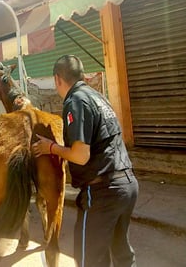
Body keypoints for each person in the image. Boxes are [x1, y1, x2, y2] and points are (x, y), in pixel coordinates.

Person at [32, 55, 138, 267]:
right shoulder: (98, 97)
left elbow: (81, 155)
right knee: (121, 253)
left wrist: (50, 147)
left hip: (102, 192)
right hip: (127, 185)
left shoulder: (76, 100)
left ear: (57, 79)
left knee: (89, 259)